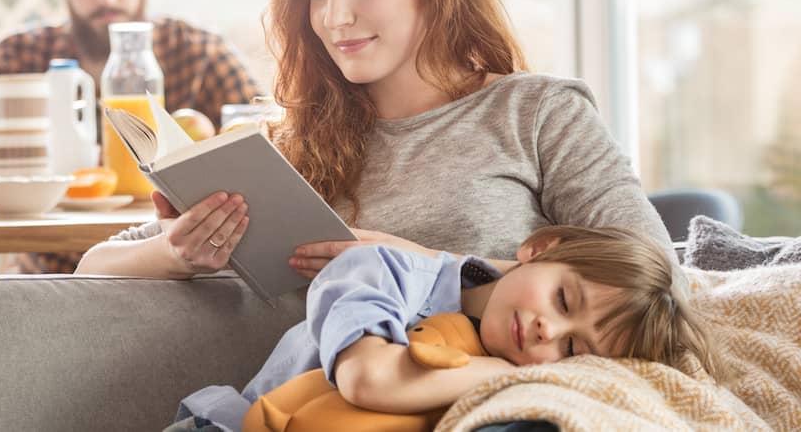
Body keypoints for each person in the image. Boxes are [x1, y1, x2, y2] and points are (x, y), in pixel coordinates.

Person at [74, 0, 672, 280]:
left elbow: (654, 274)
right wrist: (178, 251)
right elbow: (94, 267)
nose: (335, 17)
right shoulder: (290, 148)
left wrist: (427, 265)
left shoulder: (538, 112)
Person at [0, 0, 263, 273]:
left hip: (177, 282)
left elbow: (272, 143)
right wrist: (27, 172)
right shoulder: (19, 58)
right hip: (51, 279)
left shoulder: (197, 55)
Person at [172, 226, 719, 431]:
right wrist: (499, 371)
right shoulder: (382, 271)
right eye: (561, 298)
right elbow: (370, 381)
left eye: (574, 347)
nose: (546, 330)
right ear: (541, 249)